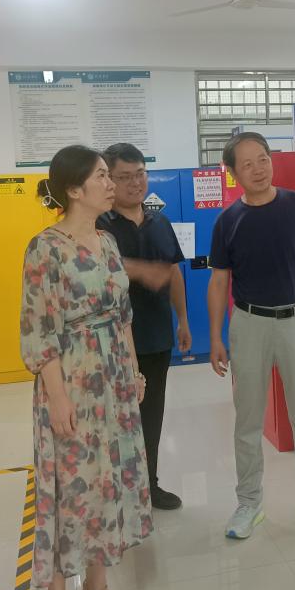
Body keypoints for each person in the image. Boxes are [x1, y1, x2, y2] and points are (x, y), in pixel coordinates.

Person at [20, 145, 152, 590]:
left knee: (106, 484)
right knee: (67, 490)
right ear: (74, 189)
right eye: (102, 176)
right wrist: (57, 398)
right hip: (71, 381)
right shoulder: (45, 248)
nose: (111, 184)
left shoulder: (108, 242)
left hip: (113, 381)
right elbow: (39, 329)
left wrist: (133, 372)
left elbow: (123, 317)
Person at [207, 131, 295, 540]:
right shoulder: (228, 221)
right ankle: (249, 504)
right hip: (249, 324)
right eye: (247, 164)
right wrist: (215, 337)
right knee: (247, 419)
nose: (258, 169)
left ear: (272, 160)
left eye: (263, 159)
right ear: (234, 173)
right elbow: (219, 282)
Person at [99, 142, 190, 511]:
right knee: (115, 419)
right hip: (112, 343)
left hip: (156, 337)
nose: (135, 183)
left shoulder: (160, 222)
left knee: (151, 415)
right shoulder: (98, 225)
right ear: (108, 179)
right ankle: (115, 492)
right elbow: (94, 270)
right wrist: (137, 269)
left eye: (140, 174)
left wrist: (183, 320)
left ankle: (148, 486)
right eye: (124, 177)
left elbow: (173, 272)